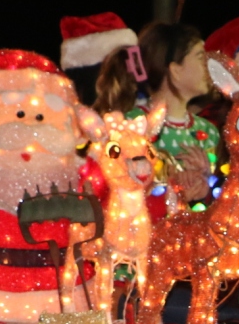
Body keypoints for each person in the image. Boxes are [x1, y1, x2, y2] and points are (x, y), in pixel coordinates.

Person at [94, 21, 221, 212]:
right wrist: (170, 185)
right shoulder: (132, 126)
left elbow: (211, 203)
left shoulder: (207, 131)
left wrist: (205, 183)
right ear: (176, 70)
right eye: (200, 57)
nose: (208, 67)